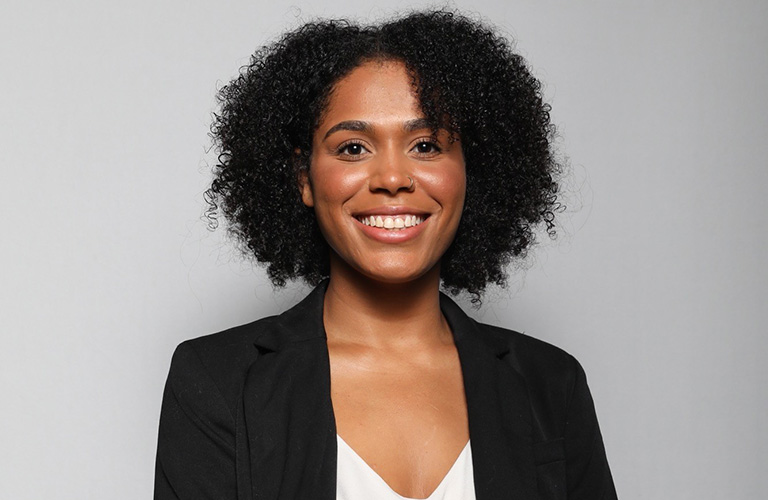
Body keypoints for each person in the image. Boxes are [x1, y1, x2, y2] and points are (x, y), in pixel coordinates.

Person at [154, 9, 618, 500]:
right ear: (304, 178)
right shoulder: (217, 381)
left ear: (469, 170)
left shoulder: (551, 384)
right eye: (353, 148)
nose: (393, 178)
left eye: (426, 145)